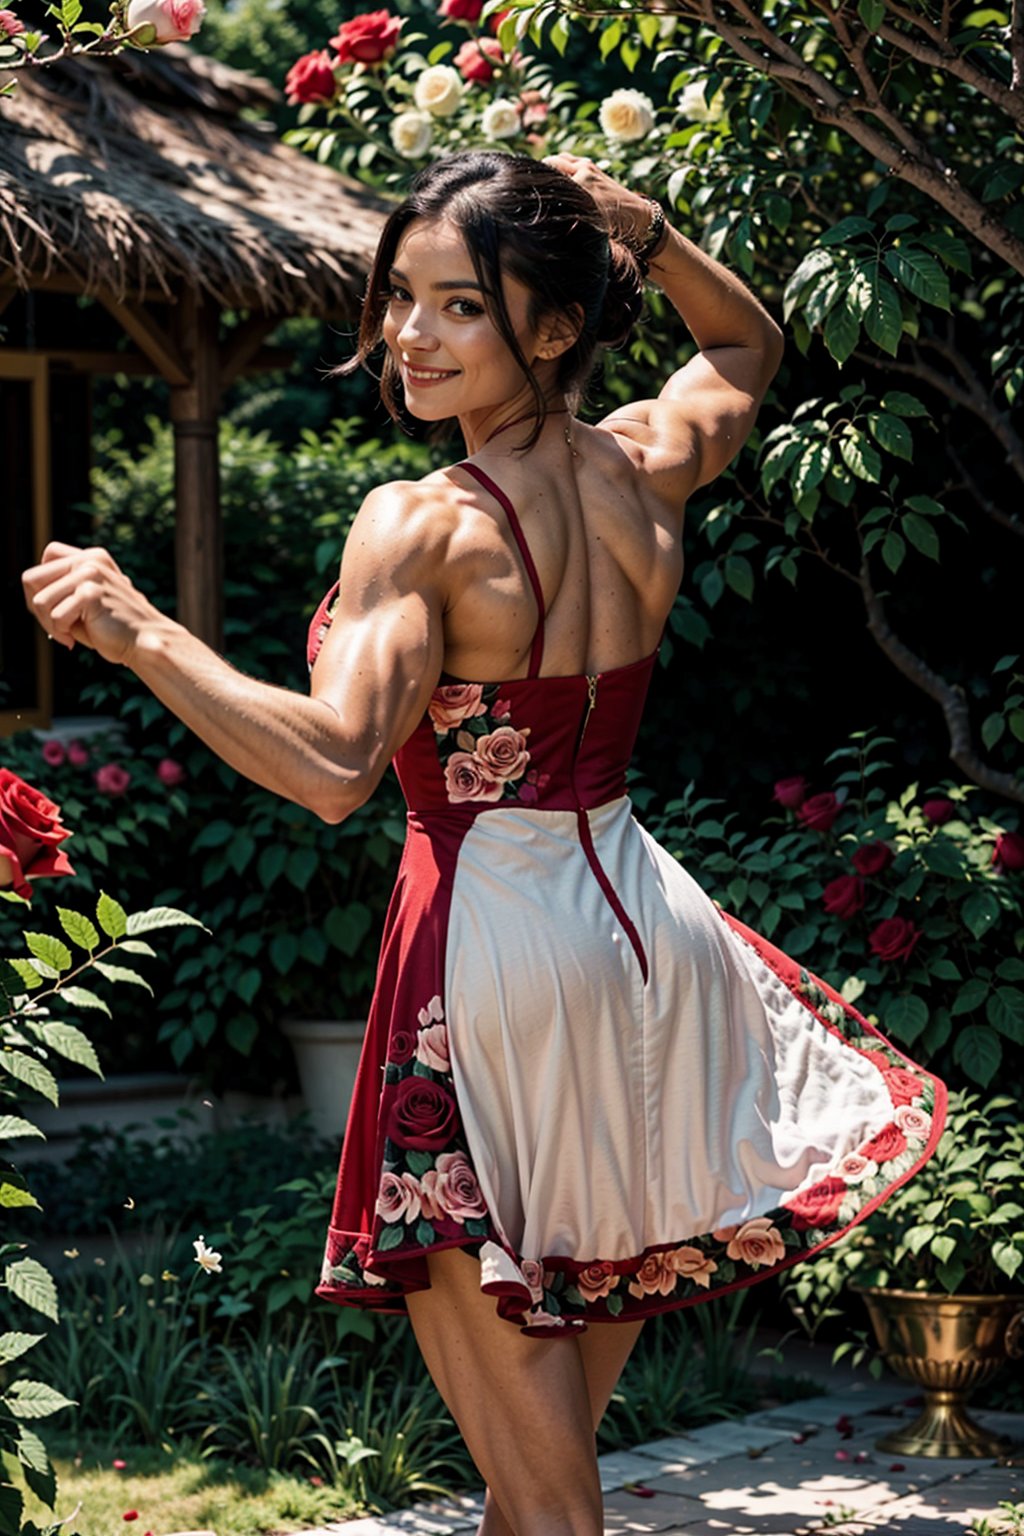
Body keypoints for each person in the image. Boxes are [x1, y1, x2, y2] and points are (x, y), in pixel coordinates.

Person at [23, 150, 945, 1536]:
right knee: (535, 1478)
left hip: (494, 977)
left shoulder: (423, 525)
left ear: (556, 328)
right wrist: (659, 230)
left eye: (460, 305)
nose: (407, 334)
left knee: (554, 1505)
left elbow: (336, 766)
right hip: (651, 951)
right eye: (400, 297)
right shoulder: (645, 463)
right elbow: (747, 343)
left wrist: (140, 630)